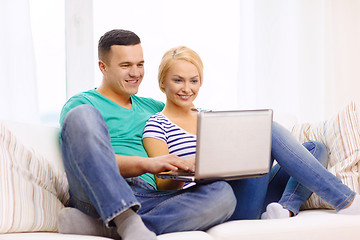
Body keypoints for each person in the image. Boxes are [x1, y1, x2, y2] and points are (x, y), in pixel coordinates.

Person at [142, 45, 360, 220]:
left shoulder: (210, 117)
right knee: (269, 131)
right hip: (221, 202)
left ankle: (284, 209)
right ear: (162, 82)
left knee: (316, 148)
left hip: (255, 194)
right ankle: (346, 200)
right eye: (177, 80)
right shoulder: (157, 125)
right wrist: (191, 165)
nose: (187, 88)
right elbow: (163, 185)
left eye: (194, 80)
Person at [58, 29, 237, 240]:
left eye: (140, 64)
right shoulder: (83, 104)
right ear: (102, 67)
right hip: (97, 195)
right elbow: (88, 160)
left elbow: (191, 113)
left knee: (223, 195)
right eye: (126, 66)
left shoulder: (153, 108)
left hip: (148, 197)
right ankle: (124, 219)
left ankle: (110, 228)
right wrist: (148, 164)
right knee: (81, 116)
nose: (135, 73)